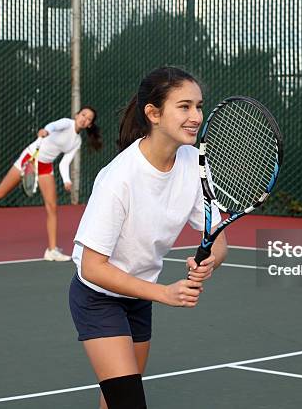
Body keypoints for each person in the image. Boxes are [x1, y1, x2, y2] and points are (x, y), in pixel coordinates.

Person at [69, 67, 227, 409]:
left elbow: (217, 236)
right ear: (153, 113)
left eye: (198, 106)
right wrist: (163, 293)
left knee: (116, 401)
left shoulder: (196, 163)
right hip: (99, 297)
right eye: (184, 106)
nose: (196, 116)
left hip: (138, 297)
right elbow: (92, 266)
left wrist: (212, 259)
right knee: (128, 402)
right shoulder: (118, 178)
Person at [0, 106, 103, 262]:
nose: (84, 119)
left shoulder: (76, 141)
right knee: (0, 192)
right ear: (77, 115)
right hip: (31, 158)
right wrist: (45, 130)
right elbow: (53, 126)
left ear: (90, 124)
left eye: (88, 119)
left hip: (45, 165)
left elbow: (64, 163)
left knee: (52, 207)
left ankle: (51, 250)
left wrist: (66, 180)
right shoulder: (66, 123)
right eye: (83, 115)